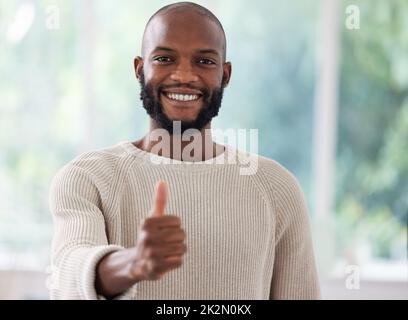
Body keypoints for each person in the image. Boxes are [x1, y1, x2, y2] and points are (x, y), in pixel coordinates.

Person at [49, 2, 320, 300]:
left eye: (204, 61)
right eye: (165, 58)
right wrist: (133, 263)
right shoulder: (88, 178)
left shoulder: (277, 188)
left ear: (225, 75)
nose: (184, 75)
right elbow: (67, 275)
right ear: (140, 69)